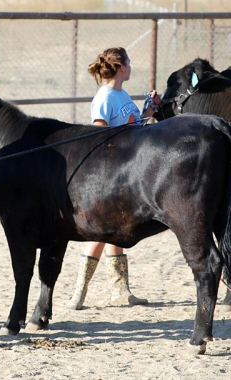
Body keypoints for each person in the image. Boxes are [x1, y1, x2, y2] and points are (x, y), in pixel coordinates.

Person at [67, 46, 161, 310]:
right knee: (102, 232)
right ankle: (80, 292)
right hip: (110, 175)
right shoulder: (104, 98)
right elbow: (97, 138)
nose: (131, 67)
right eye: (129, 63)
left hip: (126, 172)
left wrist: (148, 111)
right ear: (121, 68)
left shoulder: (121, 94)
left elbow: (133, 128)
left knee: (114, 230)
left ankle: (118, 290)